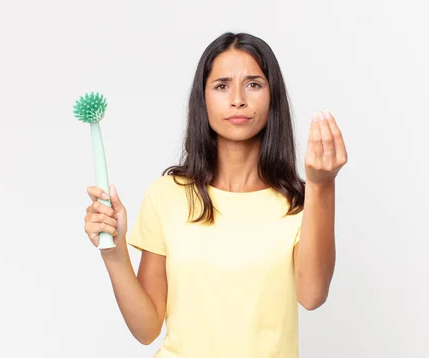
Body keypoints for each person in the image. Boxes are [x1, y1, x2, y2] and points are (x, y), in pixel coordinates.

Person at [83, 32, 348, 358]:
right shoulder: (167, 195)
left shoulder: (299, 202)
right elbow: (146, 328)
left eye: (253, 84)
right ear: (203, 98)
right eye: (222, 85)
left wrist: (322, 185)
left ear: (272, 96)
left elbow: (312, 295)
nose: (237, 99)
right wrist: (114, 251)